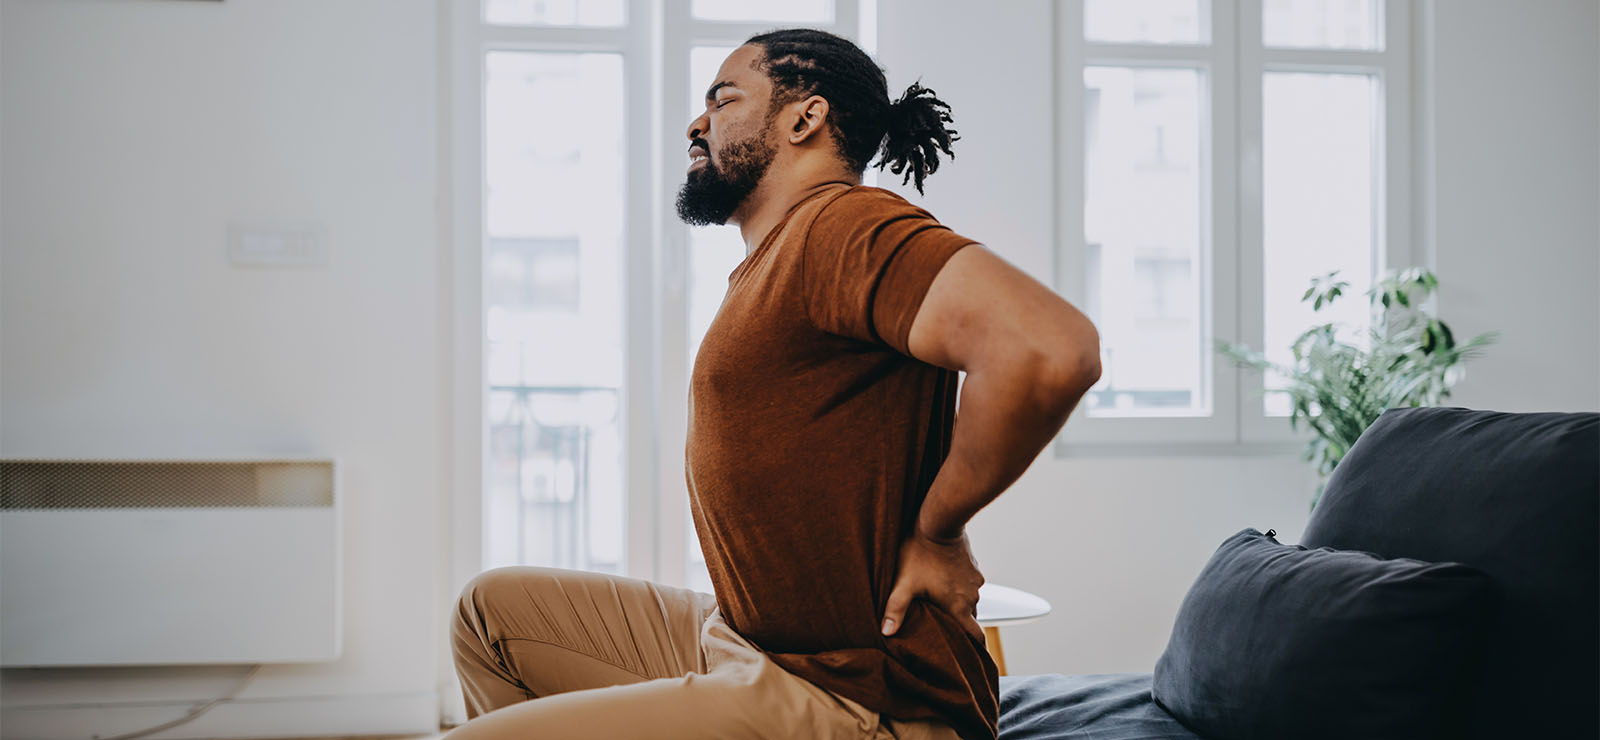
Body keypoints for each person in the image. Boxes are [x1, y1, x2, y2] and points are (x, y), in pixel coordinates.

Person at [447, 28, 1101, 740]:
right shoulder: (779, 251)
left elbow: (1048, 348)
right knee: (490, 614)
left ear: (803, 119)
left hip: (856, 697)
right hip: (747, 641)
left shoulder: (845, 224)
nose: (698, 124)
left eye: (724, 100)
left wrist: (939, 530)